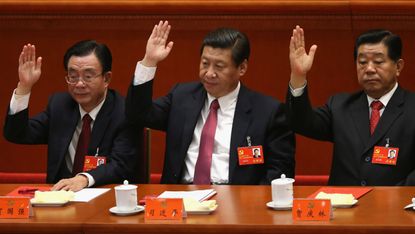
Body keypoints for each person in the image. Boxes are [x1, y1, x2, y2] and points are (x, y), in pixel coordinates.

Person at [126, 21, 295, 185]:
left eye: (219, 66)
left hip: (237, 203)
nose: (209, 73)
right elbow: (138, 114)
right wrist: (149, 61)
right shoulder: (181, 97)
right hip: (182, 198)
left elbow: (279, 173)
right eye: (205, 63)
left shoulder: (268, 112)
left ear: (242, 68)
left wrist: (248, 205)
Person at [4, 40, 142, 191]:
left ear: (106, 79)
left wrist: (84, 179)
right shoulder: (60, 106)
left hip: (107, 200)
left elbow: (121, 165)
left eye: (88, 76)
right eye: (73, 76)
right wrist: (24, 87)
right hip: (60, 200)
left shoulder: (124, 112)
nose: (79, 84)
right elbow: (16, 134)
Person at [286, 25, 415, 186]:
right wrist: (298, 75)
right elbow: (300, 122)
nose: (369, 69)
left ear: (398, 66)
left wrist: (393, 198)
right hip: (344, 207)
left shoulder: (411, 108)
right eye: (362, 62)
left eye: (378, 61)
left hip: (396, 207)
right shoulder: (340, 106)